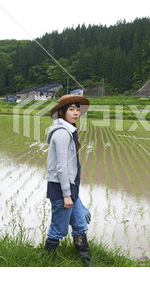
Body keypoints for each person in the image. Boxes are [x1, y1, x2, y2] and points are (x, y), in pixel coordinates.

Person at [43, 94, 92, 266]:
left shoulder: (70, 131)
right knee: (59, 229)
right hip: (61, 188)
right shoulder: (63, 134)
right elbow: (62, 167)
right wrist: (66, 195)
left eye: (78, 109)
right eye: (71, 109)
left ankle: (86, 261)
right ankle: (47, 261)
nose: (76, 113)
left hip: (70, 188)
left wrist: (73, 194)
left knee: (79, 224)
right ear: (62, 113)